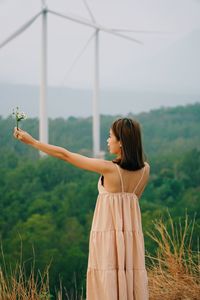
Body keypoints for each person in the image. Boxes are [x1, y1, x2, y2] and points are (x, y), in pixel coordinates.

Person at [13, 117, 150, 300]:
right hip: (130, 238)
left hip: (108, 235)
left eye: (110, 136)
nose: (107, 140)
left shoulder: (108, 169)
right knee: (129, 277)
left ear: (122, 142)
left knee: (106, 279)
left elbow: (66, 155)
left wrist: (33, 142)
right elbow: (131, 203)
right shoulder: (145, 170)